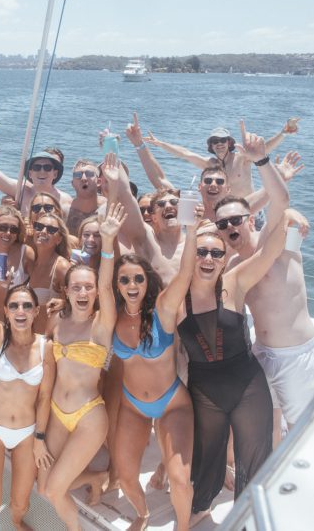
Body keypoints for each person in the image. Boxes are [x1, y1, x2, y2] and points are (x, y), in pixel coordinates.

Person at [178, 218, 287, 527]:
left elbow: (273, 249)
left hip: (248, 385)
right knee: (207, 456)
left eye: (216, 253)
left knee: (254, 456)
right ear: (190, 254)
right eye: (201, 251)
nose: (208, 259)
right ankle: (201, 507)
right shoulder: (176, 296)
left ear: (225, 260)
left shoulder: (235, 282)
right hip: (204, 390)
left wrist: (284, 212)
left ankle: (246, 517)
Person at [109, 204, 204, 531]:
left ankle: (182, 526)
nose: (132, 285)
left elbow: (186, 273)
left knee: (179, 479)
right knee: (124, 475)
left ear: (147, 282)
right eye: (125, 280)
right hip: (132, 405)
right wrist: (109, 238)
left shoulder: (163, 308)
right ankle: (143, 513)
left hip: (171, 403)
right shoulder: (111, 316)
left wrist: (193, 228)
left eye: (138, 278)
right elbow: (103, 269)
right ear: (117, 285)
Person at [39, 204, 126, 531]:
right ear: (67, 291)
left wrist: (107, 242)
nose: (84, 292)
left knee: (54, 489)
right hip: (57, 414)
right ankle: (97, 477)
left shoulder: (102, 325)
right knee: (42, 488)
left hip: (89, 415)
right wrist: (38, 433)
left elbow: (106, 285)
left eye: (88, 287)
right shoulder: (56, 321)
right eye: (76, 287)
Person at [217, 197, 314, 434]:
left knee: (301, 430)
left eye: (235, 220)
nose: (230, 227)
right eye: (223, 224)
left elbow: (282, 210)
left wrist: (292, 213)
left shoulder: (284, 246)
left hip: (296, 356)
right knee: (267, 421)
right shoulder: (233, 264)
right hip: (261, 354)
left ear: (251, 220)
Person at [0, 267, 55, 531]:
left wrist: (40, 440)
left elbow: (44, 398)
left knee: (21, 504)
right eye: (14, 306)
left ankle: (17, 522)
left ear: (35, 312)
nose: (21, 311)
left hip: (27, 434)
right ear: (6, 312)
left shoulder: (46, 347)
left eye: (27, 306)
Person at [144, 119, 299, 197]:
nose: (219, 144)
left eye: (222, 140)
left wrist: (283, 133)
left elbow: (265, 148)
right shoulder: (210, 164)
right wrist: (160, 143)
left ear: (229, 142)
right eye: (215, 141)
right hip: (225, 212)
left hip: (250, 209)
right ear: (211, 146)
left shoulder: (242, 158)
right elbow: (184, 153)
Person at [0, 124, 72, 217]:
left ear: (55, 174)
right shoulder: (20, 190)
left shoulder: (64, 200)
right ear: (30, 173)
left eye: (47, 167)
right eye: (37, 167)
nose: (42, 171)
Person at [25, 212, 71, 334]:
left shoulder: (61, 267)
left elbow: (79, 302)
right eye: (39, 227)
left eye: (51, 230)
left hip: (51, 341)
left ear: (59, 239)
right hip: (31, 340)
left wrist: (65, 303)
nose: (44, 231)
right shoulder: (31, 261)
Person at [65, 159, 106, 236]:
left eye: (89, 174)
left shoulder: (108, 209)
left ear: (99, 182)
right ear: (72, 184)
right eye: (77, 175)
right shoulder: (64, 212)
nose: (83, 178)